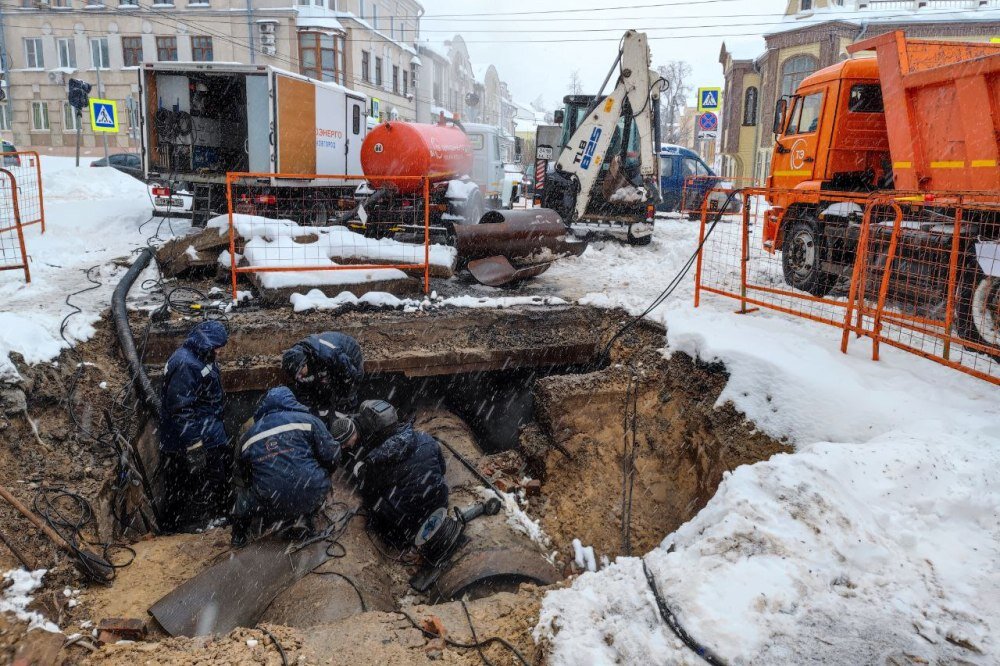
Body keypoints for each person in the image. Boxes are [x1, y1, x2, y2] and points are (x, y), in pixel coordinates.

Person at [231, 386, 352, 547]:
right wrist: (321, 475)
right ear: (292, 402)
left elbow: (243, 475)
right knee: (315, 476)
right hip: (311, 492)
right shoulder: (310, 421)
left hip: (269, 501)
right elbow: (332, 455)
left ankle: (239, 538)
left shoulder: (250, 434)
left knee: (242, 500)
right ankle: (307, 514)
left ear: (264, 406)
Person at [158, 320, 229, 532]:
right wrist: (194, 444)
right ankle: (190, 523)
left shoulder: (198, 356)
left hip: (207, 428)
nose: (220, 351)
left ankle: (214, 515)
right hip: (194, 437)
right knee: (194, 482)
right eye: (217, 347)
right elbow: (181, 408)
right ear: (206, 344)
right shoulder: (186, 365)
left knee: (212, 477)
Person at [349, 400, 449, 549]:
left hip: (404, 531)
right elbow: (442, 469)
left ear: (372, 432)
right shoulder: (425, 438)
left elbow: (367, 493)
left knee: (372, 501)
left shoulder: (376, 463)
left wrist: (359, 470)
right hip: (440, 506)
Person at [281, 332, 364, 417]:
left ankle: (347, 418)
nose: (299, 377)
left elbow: (351, 373)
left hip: (349, 353)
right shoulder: (295, 359)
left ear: (304, 363)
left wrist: (346, 390)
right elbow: (303, 389)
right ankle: (324, 417)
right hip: (325, 360)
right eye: (297, 376)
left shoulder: (329, 355)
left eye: (299, 373)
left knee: (345, 396)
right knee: (319, 392)